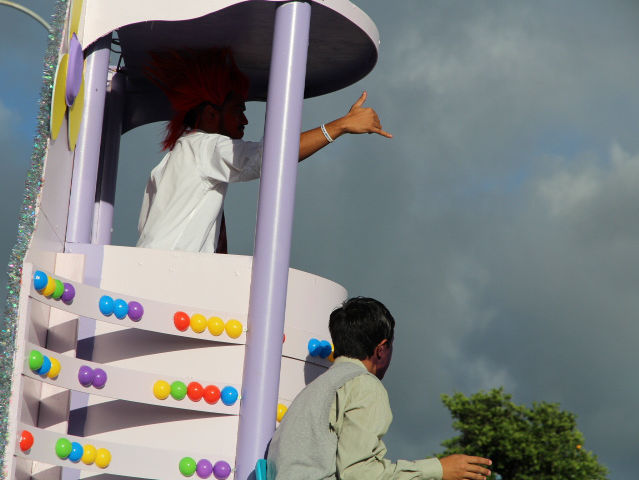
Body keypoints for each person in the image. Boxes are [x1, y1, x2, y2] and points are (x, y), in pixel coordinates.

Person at [136, 48, 392, 253]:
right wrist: (340, 126)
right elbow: (271, 157)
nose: (245, 120)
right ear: (211, 114)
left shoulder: (175, 159)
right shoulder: (204, 145)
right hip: (169, 279)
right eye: (239, 110)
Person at [266, 297, 493, 480]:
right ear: (381, 349)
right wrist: (438, 470)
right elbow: (358, 474)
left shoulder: (312, 391)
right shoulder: (364, 385)